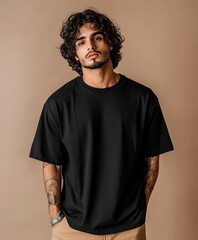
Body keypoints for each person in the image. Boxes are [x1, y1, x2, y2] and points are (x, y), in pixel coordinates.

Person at [29, 9, 174, 240]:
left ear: (111, 43)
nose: (91, 46)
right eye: (81, 42)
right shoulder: (58, 103)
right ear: (75, 54)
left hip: (129, 228)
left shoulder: (143, 99)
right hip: (73, 229)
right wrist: (55, 216)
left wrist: (139, 209)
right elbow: (50, 163)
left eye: (97, 37)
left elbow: (152, 161)